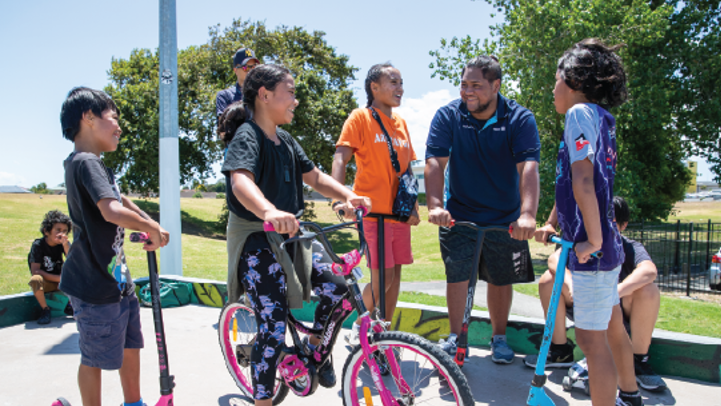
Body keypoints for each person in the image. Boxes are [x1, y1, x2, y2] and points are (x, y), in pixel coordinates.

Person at [221, 64, 372, 406]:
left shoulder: (285, 138)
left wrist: (348, 195)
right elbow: (241, 181)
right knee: (272, 329)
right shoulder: (248, 135)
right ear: (264, 95)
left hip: (294, 235)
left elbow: (315, 177)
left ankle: (316, 351)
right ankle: (262, 401)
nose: (296, 100)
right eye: (289, 92)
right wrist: (269, 211)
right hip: (258, 239)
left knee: (341, 288)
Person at [534, 39, 642, 406]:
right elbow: (575, 181)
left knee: (591, 343)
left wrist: (591, 241)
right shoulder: (600, 118)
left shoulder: (578, 115)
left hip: (592, 251)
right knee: (611, 328)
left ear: (575, 81)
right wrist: (551, 222)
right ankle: (631, 394)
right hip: (603, 245)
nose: (552, 89)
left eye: (557, 79)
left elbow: (583, 182)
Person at [425, 55, 541, 364]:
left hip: (505, 217)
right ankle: (455, 336)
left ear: (496, 85)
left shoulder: (519, 118)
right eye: (464, 85)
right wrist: (436, 205)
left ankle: (499, 338)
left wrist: (527, 215)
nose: (467, 92)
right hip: (459, 214)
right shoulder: (449, 115)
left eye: (476, 85)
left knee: (501, 279)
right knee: (458, 275)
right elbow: (435, 160)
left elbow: (528, 167)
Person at [59, 86, 170, 406]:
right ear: (89, 118)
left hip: (116, 280)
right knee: (94, 355)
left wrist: (149, 220)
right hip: (93, 283)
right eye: (113, 117)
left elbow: (119, 200)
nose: (119, 126)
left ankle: (133, 402)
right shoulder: (86, 162)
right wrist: (149, 226)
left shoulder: (93, 164)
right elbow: (110, 211)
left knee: (130, 344)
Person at [525, 196, 666, 392]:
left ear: (623, 226)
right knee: (549, 280)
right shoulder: (581, 242)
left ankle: (638, 360)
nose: (605, 228)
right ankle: (560, 351)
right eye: (600, 221)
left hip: (617, 312)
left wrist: (614, 293)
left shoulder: (629, 247)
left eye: (612, 223)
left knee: (649, 289)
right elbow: (554, 260)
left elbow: (649, 270)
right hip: (583, 304)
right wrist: (573, 285)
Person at [331, 63, 419, 344]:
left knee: (395, 278)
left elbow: (408, 170)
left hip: (399, 214)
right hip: (373, 214)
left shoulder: (401, 124)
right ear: (374, 87)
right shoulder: (360, 118)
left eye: (401, 82)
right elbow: (340, 158)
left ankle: (385, 335)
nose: (400, 88)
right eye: (393, 82)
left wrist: (414, 205)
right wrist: (339, 196)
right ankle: (359, 325)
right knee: (384, 278)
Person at [28, 209, 73, 324]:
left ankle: (70, 305)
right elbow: (36, 271)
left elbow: (73, 261)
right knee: (35, 280)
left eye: (65, 231)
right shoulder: (38, 245)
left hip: (61, 282)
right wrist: (60, 278)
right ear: (46, 231)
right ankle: (45, 310)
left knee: (79, 274)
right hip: (47, 282)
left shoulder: (63, 244)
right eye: (58, 230)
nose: (61, 234)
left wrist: (65, 245)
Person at [216, 47, 260, 120]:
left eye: (253, 67)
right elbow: (223, 129)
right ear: (235, 70)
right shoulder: (225, 96)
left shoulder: (262, 95)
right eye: (245, 67)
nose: (250, 71)